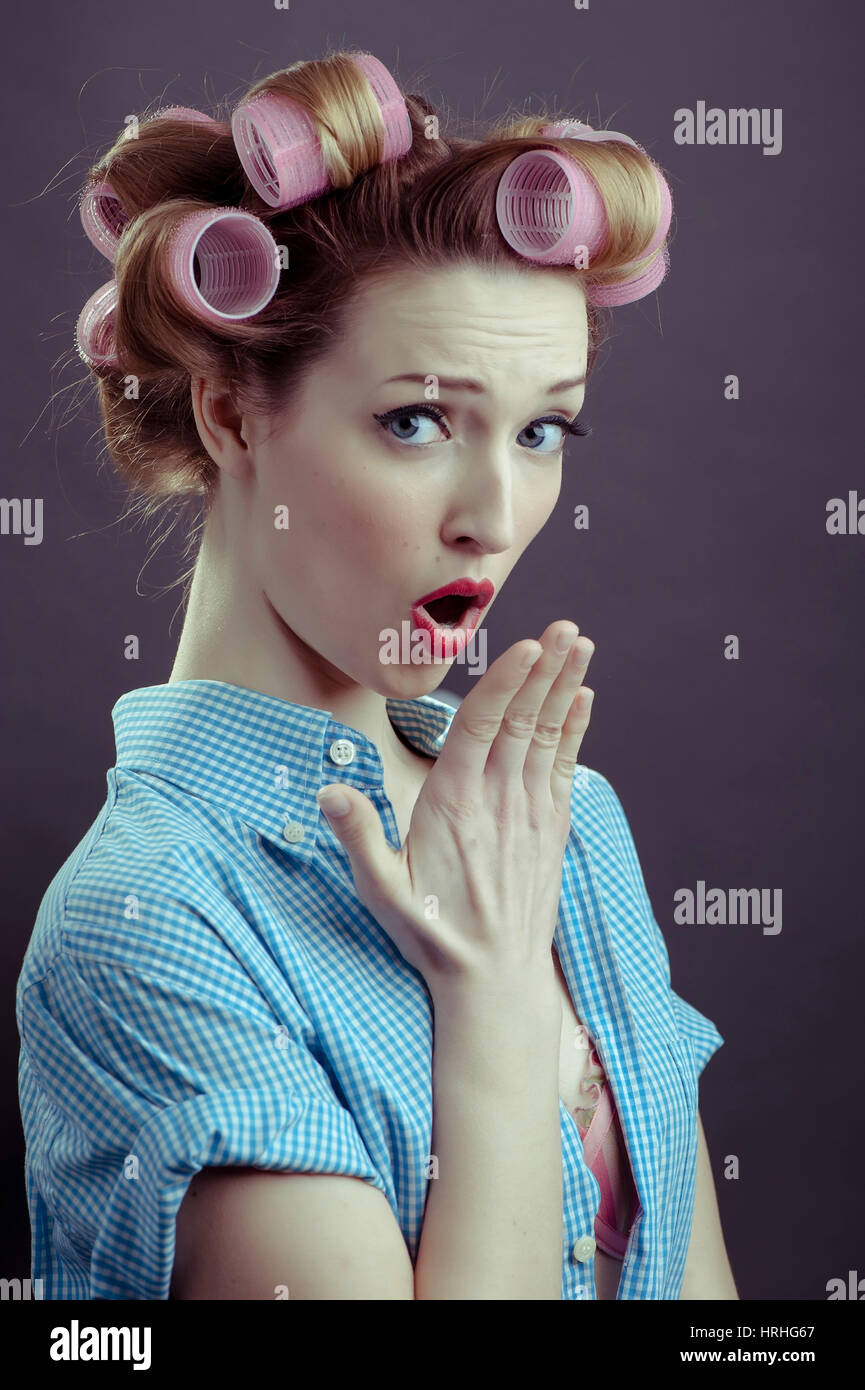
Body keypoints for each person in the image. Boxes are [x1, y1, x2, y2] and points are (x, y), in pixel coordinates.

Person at [16, 49, 738, 1300]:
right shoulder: (145, 925)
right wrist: (497, 1007)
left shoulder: (561, 821)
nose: (494, 516)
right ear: (232, 412)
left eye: (541, 428)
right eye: (417, 420)